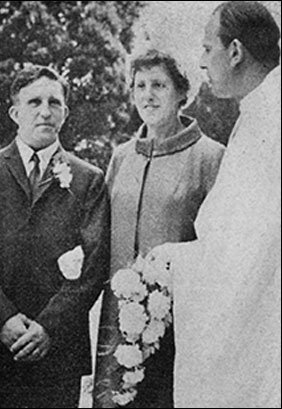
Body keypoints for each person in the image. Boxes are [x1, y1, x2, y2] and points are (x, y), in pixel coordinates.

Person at [149, 2, 281, 407]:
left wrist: (173, 261)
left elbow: (252, 249)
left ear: (236, 51)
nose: (202, 62)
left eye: (208, 49)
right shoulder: (261, 108)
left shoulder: (271, 116)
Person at [0, 64, 110, 408]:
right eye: (34, 102)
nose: (45, 111)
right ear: (14, 112)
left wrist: (48, 328)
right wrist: (4, 320)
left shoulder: (88, 179)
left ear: (66, 113)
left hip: (57, 350)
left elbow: (94, 265)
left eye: (54, 103)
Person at [93, 49, 225, 408]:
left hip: (179, 320)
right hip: (118, 317)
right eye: (140, 86)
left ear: (183, 93)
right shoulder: (122, 156)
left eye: (159, 85)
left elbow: (222, 245)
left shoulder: (210, 157)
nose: (148, 95)